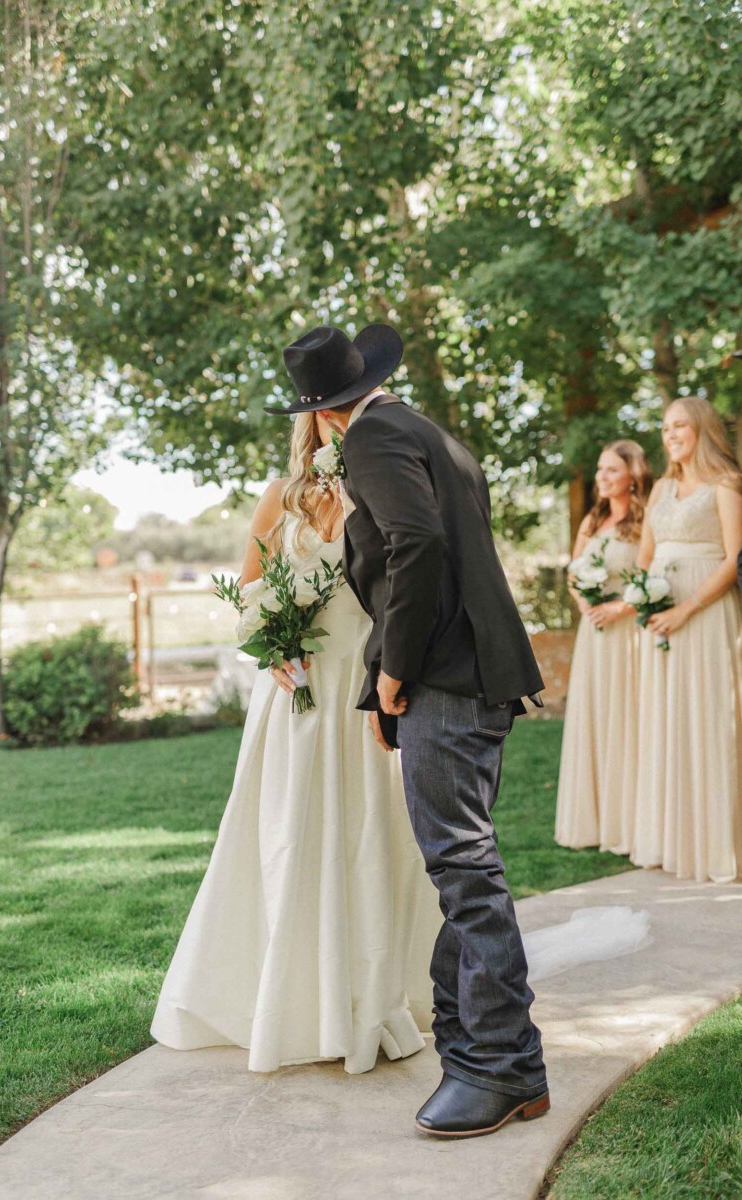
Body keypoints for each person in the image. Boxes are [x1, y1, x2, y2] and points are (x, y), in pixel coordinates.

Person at [266, 323, 549, 1139]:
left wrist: (394, 670)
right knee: (463, 867)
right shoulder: (427, 432)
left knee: (465, 871)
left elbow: (416, 547)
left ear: (323, 412)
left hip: (446, 676)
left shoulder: (372, 439)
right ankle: (473, 1051)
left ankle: (504, 1067)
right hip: (475, 673)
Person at [151, 407, 442, 1074]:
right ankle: (296, 1002)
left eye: (349, 411)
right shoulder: (279, 497)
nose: (338, 422)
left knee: (369, 831)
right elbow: (250, 591)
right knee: (289, 833)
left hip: (363, 680)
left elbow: (408, 582)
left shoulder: (385, 487)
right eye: (327, 412)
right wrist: (272, 646)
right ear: (312, 422)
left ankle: (372, 996)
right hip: (296, 691)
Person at [632, 396, 742, 883]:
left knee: (709, 720)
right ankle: (671, 841)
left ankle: (716, 846)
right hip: (661, 619)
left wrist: (686, 607)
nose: (670, 434)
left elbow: (735, 558)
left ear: (702, 429)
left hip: (707, 614)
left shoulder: (727, 484)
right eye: (665, 427)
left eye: (680, 426)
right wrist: (647, 599)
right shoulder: (660, 488)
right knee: (667, 721)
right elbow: (645, 557)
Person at [555, 441, 652, 854]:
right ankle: (594, 822)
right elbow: (574, 574)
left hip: (629, 632)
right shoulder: (592, 521)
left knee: (629, 718)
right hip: (594, 633)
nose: (602, 477)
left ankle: (631, 823)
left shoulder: (646, 519)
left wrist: (620, 608)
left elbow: (650, 577)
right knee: (596, 716)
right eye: (600, 469)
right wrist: (586, 605)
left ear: (633, 475)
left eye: (612, 469)